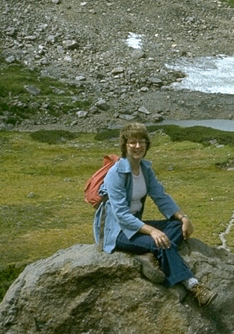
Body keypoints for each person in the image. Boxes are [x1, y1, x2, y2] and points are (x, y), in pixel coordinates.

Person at [92, 122, 216, 306]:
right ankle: (193, 286)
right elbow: (121, 215)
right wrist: (152, 231)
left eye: (141, 141)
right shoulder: (116, 174)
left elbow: (161, 196)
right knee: (161, 243)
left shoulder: (144, 169)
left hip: (133, 225)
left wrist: (183, 218)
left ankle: (148, 255)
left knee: (175, 227)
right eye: (132, 142)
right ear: (125, 145)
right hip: (116, 231)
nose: (137, 146)